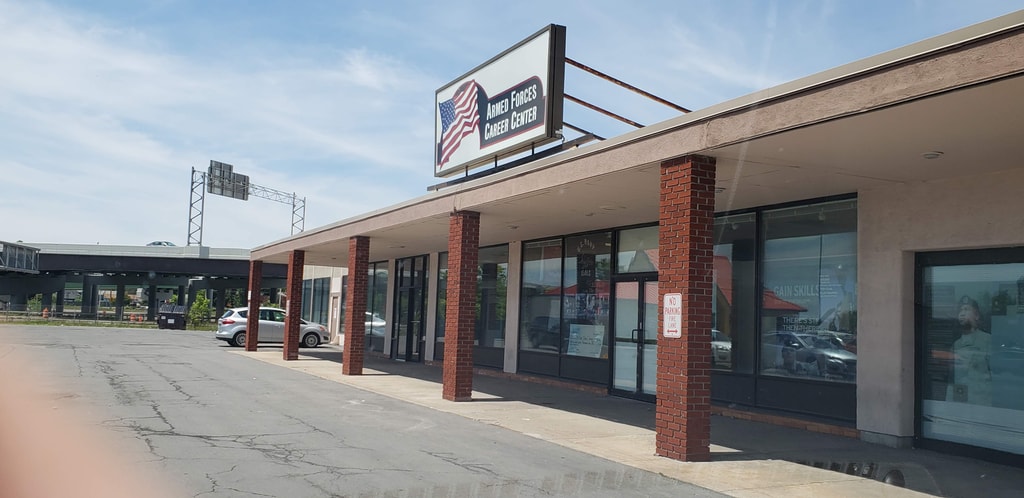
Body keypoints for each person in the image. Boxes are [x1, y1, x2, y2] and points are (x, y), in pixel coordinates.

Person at [947, 296, 992, 405]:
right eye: (960, 310)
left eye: (966, 309)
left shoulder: (987, 340)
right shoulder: (956, 345)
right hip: (961, 401)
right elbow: (951, 379)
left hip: (981, 402)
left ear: (976, 315)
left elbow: (996, 375)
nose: (962, 313)